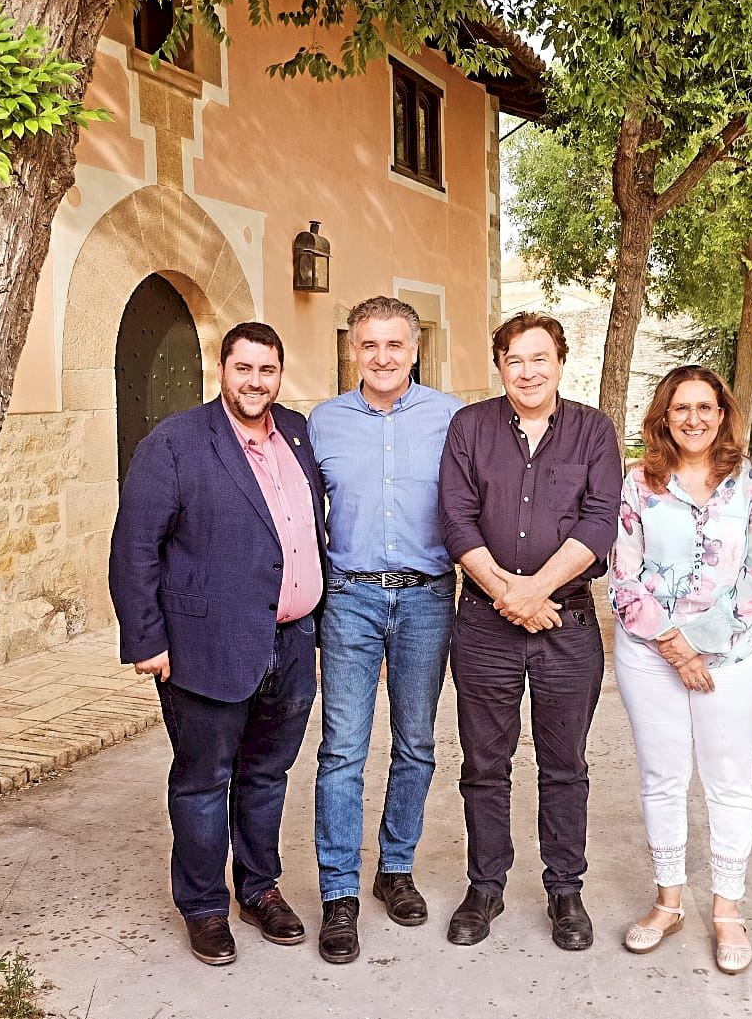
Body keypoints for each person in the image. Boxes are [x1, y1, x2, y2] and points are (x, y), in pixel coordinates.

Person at [109, 322, 325, 966]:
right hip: (205, 644)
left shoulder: (297, 433)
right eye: (243, 368)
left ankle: (258, 889)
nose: (255, 381)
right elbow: (134, 547)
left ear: (279, 374)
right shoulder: (175, 442)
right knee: (204, 781)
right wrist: (146, 639)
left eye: (267, 370)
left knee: (267, 775)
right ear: (222, 369)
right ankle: (204, 905)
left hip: (291, 642)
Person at [437, 312, 621, 950]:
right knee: (484, 764)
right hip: (484, 625)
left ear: (560, 363)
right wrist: (507, 595)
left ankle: (565, 890)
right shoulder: (470, 427)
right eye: (514, 359)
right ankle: (485, 887)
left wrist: (535, 591)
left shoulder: (594, 431)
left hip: (565, 623)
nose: (527, 371)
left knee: (564, 763)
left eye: (539, 358)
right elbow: (455, 518)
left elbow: (600, 521)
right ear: (500, 367)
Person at [609, 366, 752, 973]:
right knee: (663, 777)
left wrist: (703, 643)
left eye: (705, 407)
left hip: (732, 655)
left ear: (723, 414)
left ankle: (727, 909)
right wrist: (674, 645)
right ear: (664, 417)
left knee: (729, 780)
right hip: (649, 653)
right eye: (680, 408)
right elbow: (622, 573)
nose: (694, 419)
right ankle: (668, 903)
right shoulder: (638, 483)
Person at [309, 297, 462, 964]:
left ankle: (395, 868)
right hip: (350, 597)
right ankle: (339, 891)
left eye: (394, 343)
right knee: (342, 748)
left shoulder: (451, 418)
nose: (382, 356)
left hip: (427, 597)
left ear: (415, 348)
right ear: (353, 350)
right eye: (368, 344)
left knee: (416, 743)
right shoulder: (323, 422)